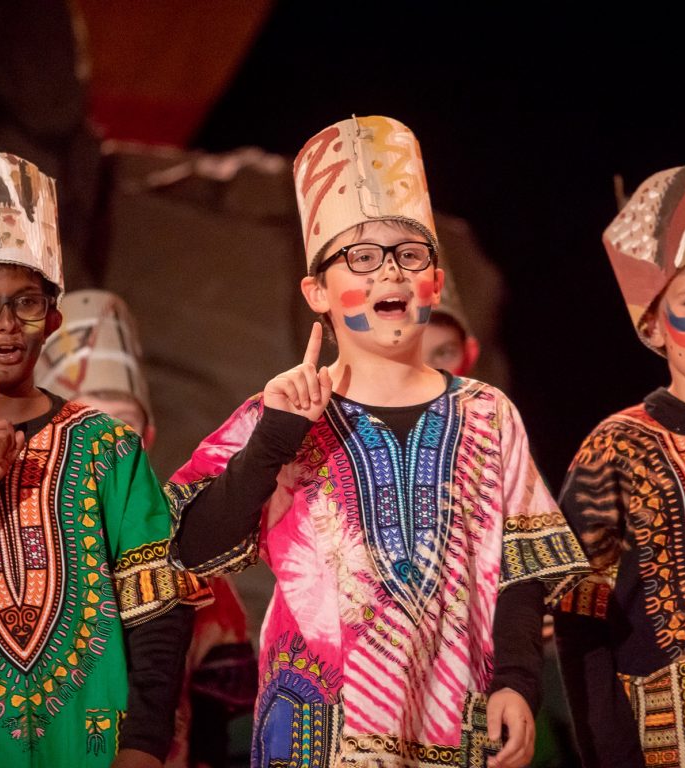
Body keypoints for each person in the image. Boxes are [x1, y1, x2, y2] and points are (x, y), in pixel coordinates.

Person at [166, 114, 588, 768]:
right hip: (317, 735)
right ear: (317, 290)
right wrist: (275, 439)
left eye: (409, 254)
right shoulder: (275, 413)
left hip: (455, 725)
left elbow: (523, 564)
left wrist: (516, 680)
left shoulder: (486, 413)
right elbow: (189, 552)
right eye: (362, 256)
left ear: (435, 282)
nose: (390, 272)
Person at [0, 151, 207, 767]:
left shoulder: (107, 446)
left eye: (25, 303)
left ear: (51, 319)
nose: (5, 324)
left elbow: (157, 608)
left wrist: (143, 745)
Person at [555, 165, 685, 766]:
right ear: (653, 325)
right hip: (666, 746)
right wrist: (605, 746)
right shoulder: (614, 446)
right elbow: (578, 606)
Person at [35, 288, 257, 768]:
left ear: (147, 438)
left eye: (122, 428)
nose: (103, 444)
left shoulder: (201, 574)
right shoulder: (8, 547)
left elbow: (230, 734)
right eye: (81, 426)